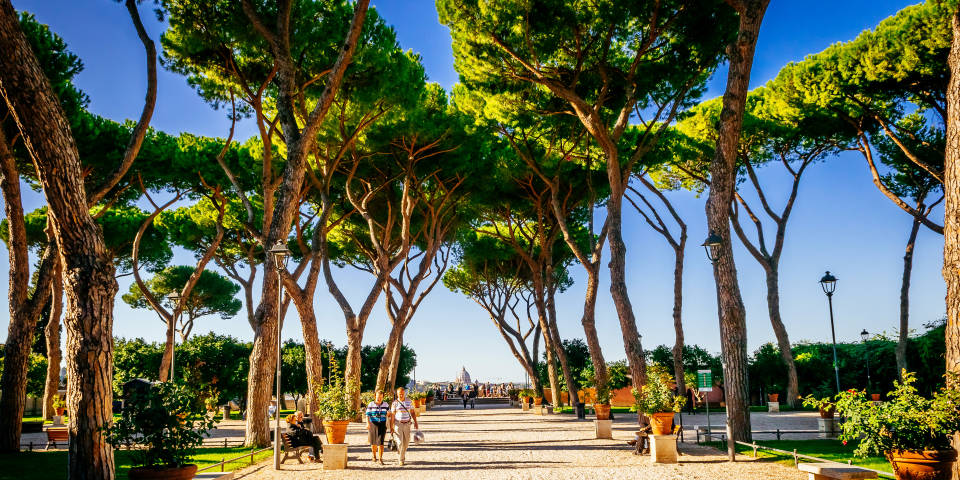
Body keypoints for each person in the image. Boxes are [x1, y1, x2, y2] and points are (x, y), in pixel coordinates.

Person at [389, 386, 419, 466]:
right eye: (399, 394)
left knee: (406, 443)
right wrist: (391, 426)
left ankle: (402, 455)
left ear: (404, 393)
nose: (401, 395)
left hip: (407, 424)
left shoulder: (409, 401)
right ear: (397, 394)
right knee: (399, 443)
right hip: (398, 424)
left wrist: (416, 422)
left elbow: (412, 412)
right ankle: (401, 459)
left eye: (402, 394)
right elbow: (392, 415)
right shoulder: (394, 403)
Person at [366, 390, 389, 464]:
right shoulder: (371, 404)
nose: (379, 399)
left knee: (381, 442)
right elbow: (367, 414)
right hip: (373, 424)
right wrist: (368, 423)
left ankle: (380, 458)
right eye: (378, 397)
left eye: (381, 397)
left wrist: (389, 414)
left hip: (382, 424)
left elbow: (389, 413)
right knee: (373, 442)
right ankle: (374, 455)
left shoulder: (386, 404)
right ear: (375, 396)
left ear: (383, 397)